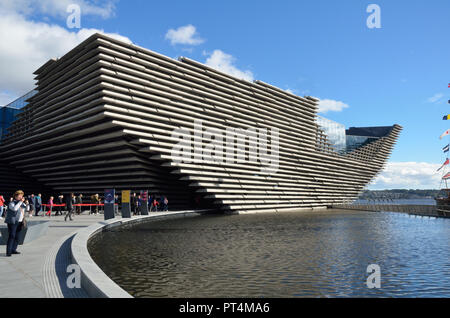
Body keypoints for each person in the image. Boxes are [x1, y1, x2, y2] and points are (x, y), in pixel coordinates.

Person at [4, 190, 27, 257]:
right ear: (16, 196)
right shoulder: (12, 203)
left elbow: (26, 209)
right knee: (12, 236)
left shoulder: (21, 203)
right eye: (20, 195)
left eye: (22, 196)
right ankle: (8, 251)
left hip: (20, 222)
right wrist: (20, 202)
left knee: (17, 237)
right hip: (13, 222)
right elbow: (15, 209)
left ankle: (13, 249)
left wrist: (25, 203)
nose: (21, 197)